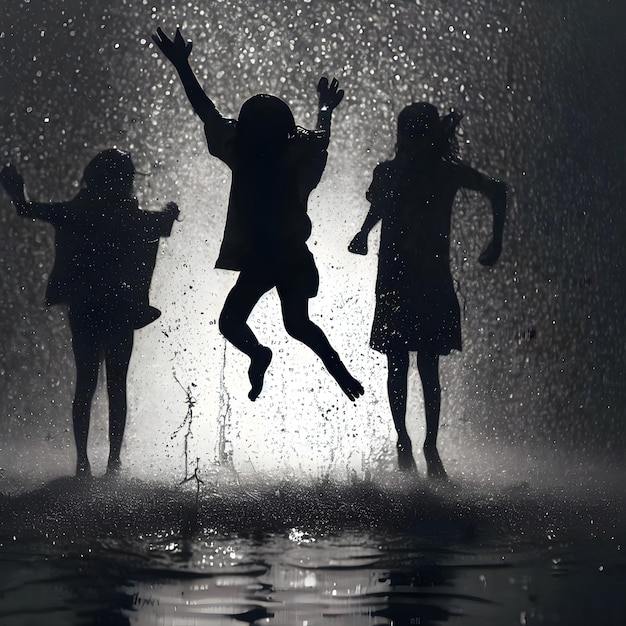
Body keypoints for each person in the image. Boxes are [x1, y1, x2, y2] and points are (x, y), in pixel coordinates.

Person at [152, 28, 363, 402]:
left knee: (245, 324)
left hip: (274, 257)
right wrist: (325, 108)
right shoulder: (288, 153)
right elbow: (321, 136)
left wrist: (183, 66)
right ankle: (315, 366)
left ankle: (282, 358)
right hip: (281, 258)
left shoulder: (245, 151)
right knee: (294, 325)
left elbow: (207, 111)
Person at [349, 102, 506, 478]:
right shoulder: (416, 172)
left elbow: (497, 190)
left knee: (410, 364)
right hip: (407, 279)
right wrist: (363, 232)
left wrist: (496, 240)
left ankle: (421, 445)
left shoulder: (420, 172)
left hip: (412, 279)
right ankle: (411, 442)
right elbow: (496, 191)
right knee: (410, 364)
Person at [0, 150, 180, 477]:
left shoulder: (76, 213)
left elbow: (26, 209)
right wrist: (170, 212)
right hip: (121, 308)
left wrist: (16, 190)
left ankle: (84, 461)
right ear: (126, 182)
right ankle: (112, 462)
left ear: (90, 180)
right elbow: (164, 224)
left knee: (87, 382)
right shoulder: (131, 217)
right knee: (116, 385)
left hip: (85, 306)